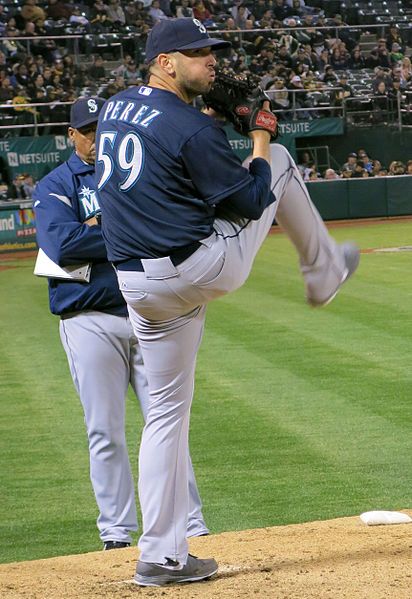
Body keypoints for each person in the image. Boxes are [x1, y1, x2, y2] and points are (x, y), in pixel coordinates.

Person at [95, 18, 360, 586]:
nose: (211, 61)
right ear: (165, 62)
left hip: (136, 286)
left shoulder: (116, 106)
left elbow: (168, 158)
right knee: (281, 161)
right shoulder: (190, 128)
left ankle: (160, 557)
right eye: (197, 54)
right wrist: (258, 136)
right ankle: (324, 271)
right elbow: (251, 199)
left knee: (165, 414)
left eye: (211, 51)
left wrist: (210, 124)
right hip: (195, 269)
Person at [33, 96, 209, 551]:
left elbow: (172, 223)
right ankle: (115, 533)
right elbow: (61, 243)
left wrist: (99, 226)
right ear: (71, 136)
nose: (95, 136)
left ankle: (190, 522)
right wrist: (130, 228)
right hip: (87, 319)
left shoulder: (135, 168)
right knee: (104, 431)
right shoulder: (57, 183)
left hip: (148, 313)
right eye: (86, 130)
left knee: (167, 424)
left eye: (100, 127)